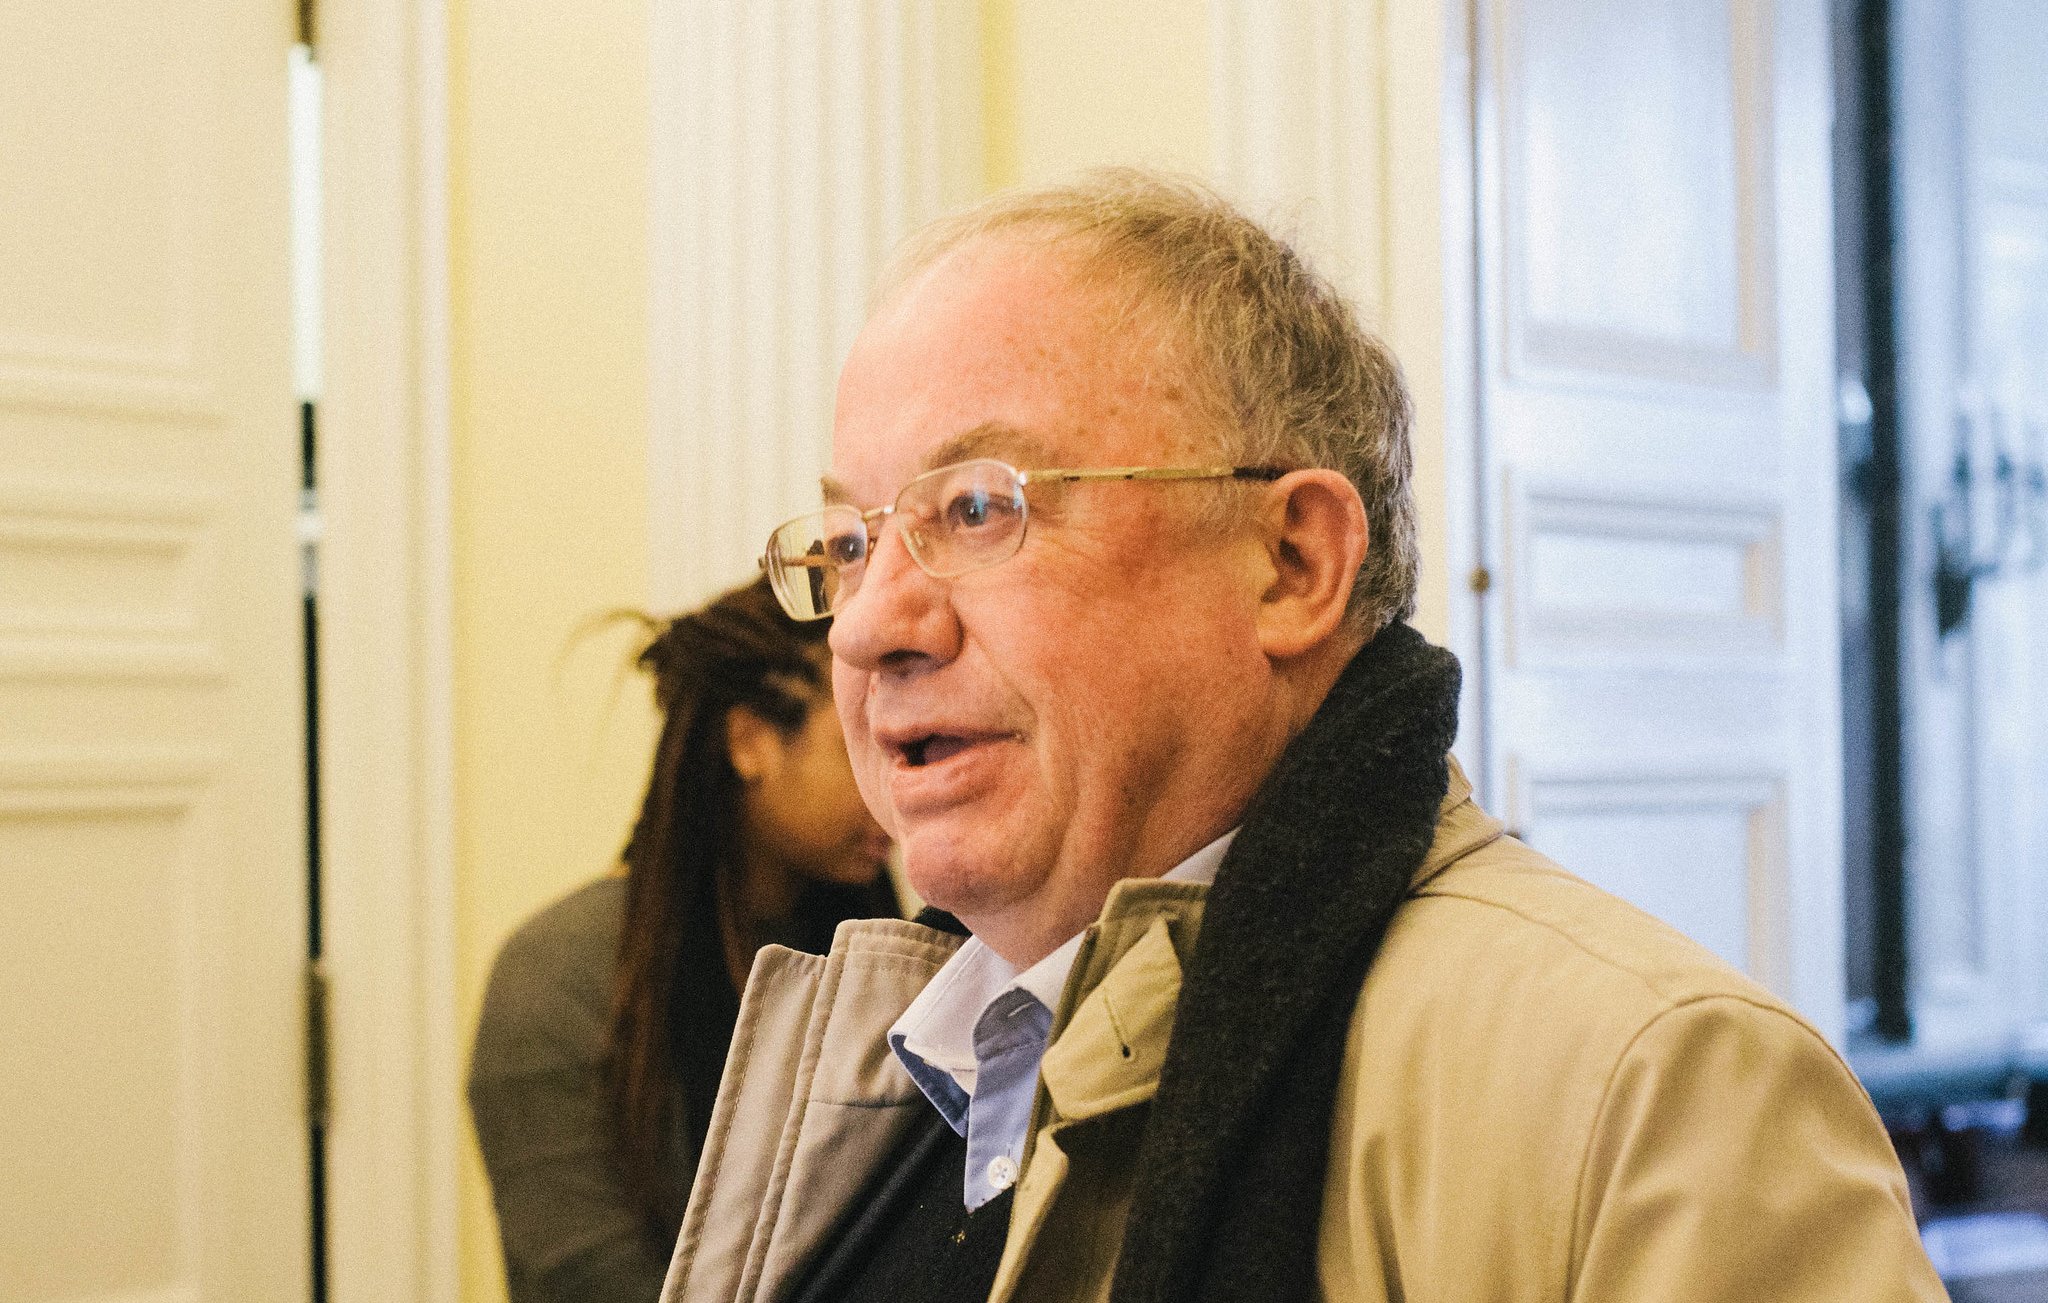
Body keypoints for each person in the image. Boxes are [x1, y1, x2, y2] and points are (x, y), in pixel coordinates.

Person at [659, 172, 1946, 1303]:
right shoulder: (894, 1071)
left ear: (1290, 561)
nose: (869, 622)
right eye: (847, 541)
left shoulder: (1653, 1090)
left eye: (982, 508)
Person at [468, 576, 899, 1303]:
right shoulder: (554, 984)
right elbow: (590, 1280)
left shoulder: (875, 957)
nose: (893, 777)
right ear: (749, 742)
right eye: (858, 739)